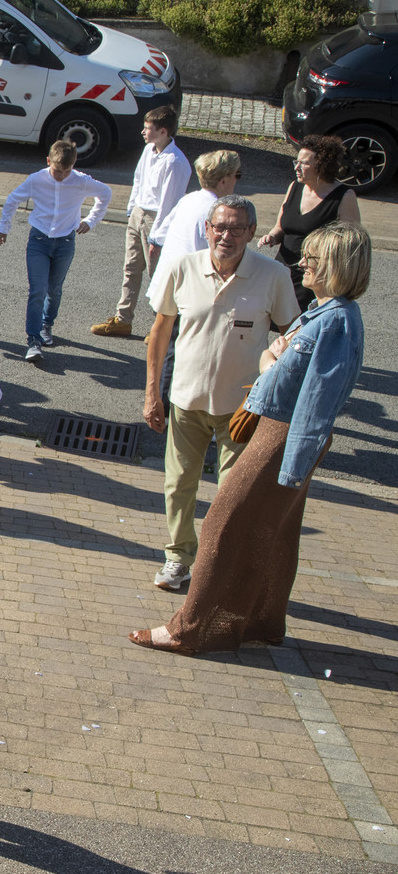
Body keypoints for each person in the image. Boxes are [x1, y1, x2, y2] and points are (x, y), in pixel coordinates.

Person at [133, 222, 368, 655]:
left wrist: (293, 464)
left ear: (334, 266)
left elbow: (318, 400)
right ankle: (263, 621)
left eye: (312, 260)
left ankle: (189, 629)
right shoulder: (324, 313)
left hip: (284, 436)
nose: (302, 265)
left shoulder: (335, 320)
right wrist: (271, 361)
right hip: (279, 431)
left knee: (225, 521)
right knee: (273, 531)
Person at [142, 196, 299, 592]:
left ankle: (218, 563)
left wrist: (275, 376)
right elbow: (160, 333)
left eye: (236, 229)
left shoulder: (273, 275)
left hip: (243, 407)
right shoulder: (183, 267)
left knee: (233, 494)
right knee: (179, 486)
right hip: (185, 401)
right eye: (220, 227)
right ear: (207, 229)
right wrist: (152, 393)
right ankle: (177, 559)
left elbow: (293, 335)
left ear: (251, 233)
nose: (226, 236)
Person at [0, 140, 112, 363]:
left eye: (66, 172)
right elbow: (12, 200)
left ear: (74, 165)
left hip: (65, 242)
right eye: (57, 171)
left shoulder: (81, 181)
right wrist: (4, 228)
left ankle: (47, 324)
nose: (60, 176)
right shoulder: (36, 179)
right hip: (38, 240)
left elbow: (105, 194)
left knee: (55, 289)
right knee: (37, 290)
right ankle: (33, 340)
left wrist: (91, 220)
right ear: (48, 161)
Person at [91, 105, 190, 338]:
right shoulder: (149, 150)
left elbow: (170, 202)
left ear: (163, 131)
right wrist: (132, 208)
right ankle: (123, 319)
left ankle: (161, 328)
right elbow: (139, 178)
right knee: (131, 269)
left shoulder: (175, 162)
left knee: (159, 277)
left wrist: (158, 235)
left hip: (156, 220)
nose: (143, 132)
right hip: (139, 213)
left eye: (148, 129)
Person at [259, 134, 362, 312]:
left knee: (299, 328)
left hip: (314, 277)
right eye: (296, 162)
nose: (297, 168)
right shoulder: (295, 187)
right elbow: (281, 226)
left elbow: (349, 244)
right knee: (268, 319)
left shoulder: (344, 196)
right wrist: (272, 236)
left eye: (304, 163)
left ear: (322, 166)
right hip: (283, 271)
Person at [145, 149, 244, 310]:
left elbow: (158, 239)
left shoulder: (188, 199)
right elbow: (221, 258)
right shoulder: (218, 212)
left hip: (163, 291)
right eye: (236, 175)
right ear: (223, 181)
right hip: (189, 299)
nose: (236, 180)